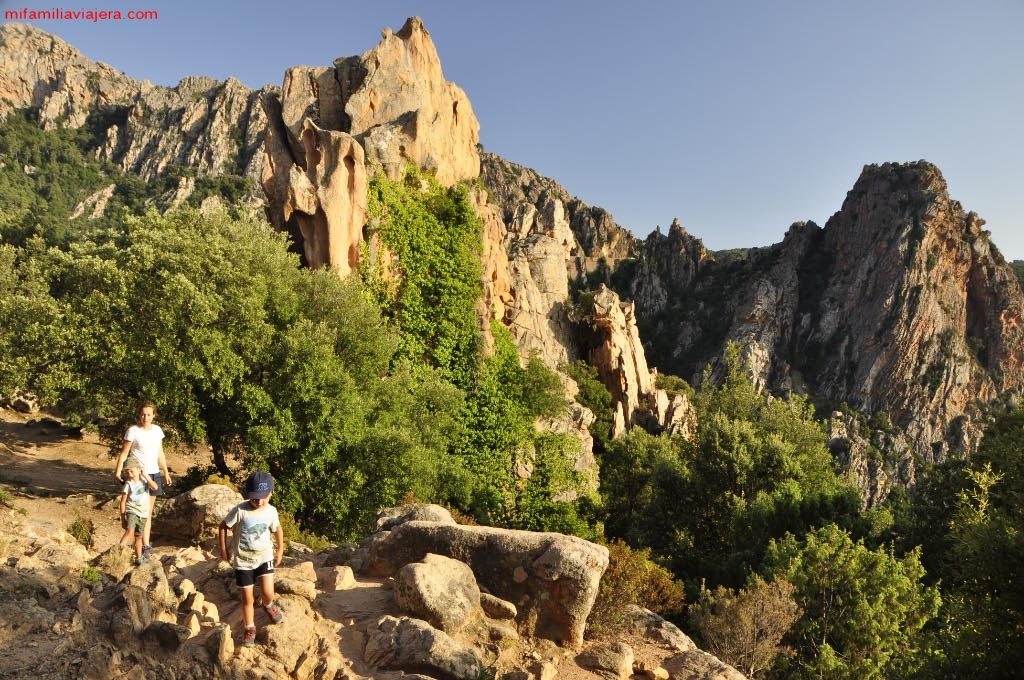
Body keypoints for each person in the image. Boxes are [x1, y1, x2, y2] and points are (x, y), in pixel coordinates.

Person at [219, 470, 285, 647]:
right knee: (247, 598)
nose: (259, 501)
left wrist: (280, 550)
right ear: (248, 494)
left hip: (265, 557)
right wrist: (224, 549)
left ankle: (268, 605)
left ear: (271, 493)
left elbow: (277, 529)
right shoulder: (240, 510)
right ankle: (249, 627)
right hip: (243, 562)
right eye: (255, 497)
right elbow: (223, 526)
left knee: (268, 591)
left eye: (263, 497)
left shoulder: (271, 511)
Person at [114, 400, 172, 556]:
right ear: (139, 415)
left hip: (153, 474)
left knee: (148, 511)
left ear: (154, 415)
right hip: (137, 475)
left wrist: (165, 471)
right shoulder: (133, 431)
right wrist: (118, 471)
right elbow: (124, 453)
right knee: (135, 509)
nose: (145, 417)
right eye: (143, 414)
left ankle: (145, 545)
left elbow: (160, 453)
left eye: (148, 414)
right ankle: (125, 546)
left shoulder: (158, 431)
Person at [118, 457, 158, 565]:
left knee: (139, 536)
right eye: (127, 472)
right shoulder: (128, 484)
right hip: (132, 511)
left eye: (132, 471)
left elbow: (155, 487)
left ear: (138, 469)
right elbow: (123, 502)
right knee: (130, 531)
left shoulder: (145, 481)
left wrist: (145, 475)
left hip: (143, 513)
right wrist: (122, 518)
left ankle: (139, 558)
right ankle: (118, 551)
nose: (130, 474)